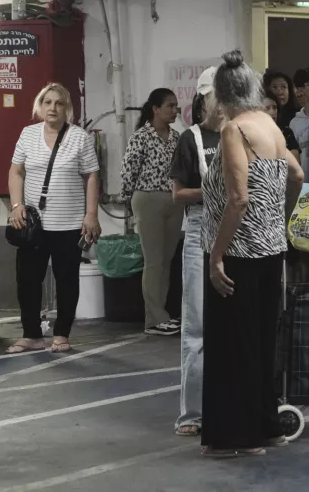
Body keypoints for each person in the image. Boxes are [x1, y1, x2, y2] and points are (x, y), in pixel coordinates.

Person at [201, 50, 304, 457]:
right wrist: (280, 216)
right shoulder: (270, 126)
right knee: (261, 343)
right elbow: (296, 175)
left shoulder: (234, 131)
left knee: (231, 345)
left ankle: (236, 437)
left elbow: (238, 199)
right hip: (271, 250)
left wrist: (216, 256)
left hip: (239, 254)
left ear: (221, 95)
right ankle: (267, 427)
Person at [8, 83, 101, 354]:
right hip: (33, 224)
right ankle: (31, 334)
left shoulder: (80, 138)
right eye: (47, 102)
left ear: (67, 109)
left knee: (67, 279)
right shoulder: (28, 135)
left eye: (59, 103)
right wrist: (16, 205)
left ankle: (62, 334)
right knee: (27, 279)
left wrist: (91, 214)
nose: (52, 108)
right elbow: (16, 172)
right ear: (40, 106)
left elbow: (92, 175)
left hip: (69, 222)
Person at [171, 67, 224, 437]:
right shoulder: (191, 139)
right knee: (198, 325)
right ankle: (192, 412)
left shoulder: (242, 133)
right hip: (200, 227)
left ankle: (233, 402)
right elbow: (179, 194)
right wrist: (222, 193)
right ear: (206, 97)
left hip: (241, 231)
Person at [121, 88, 184, 337]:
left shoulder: (177, 137)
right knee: (153, 261)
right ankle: (155, 318)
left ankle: (160, 315)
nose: (174, 110)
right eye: (169, 106)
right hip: (147, 199)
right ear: (155, 109)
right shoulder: (141, 137)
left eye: (176, 106)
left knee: (166, 261)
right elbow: (128, 171)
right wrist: (128, 199)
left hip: (173, 201)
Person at [263, 91, 301, 161]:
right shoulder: (253, 135)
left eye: (274, 108)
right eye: (267, 108)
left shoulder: (286, 132)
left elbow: (295, 161)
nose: (272, 112)